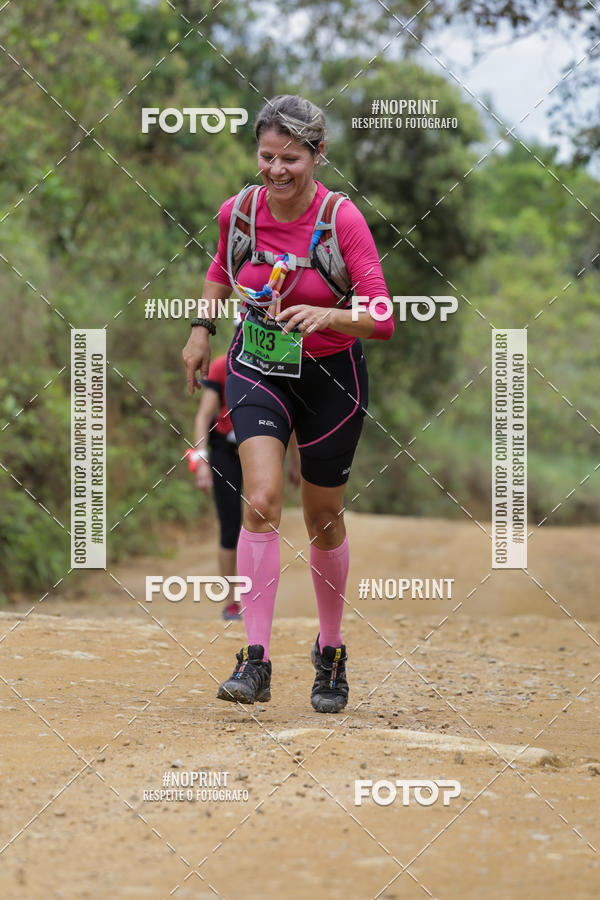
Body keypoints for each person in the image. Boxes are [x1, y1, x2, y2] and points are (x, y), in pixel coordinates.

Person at [182, 94, 393, 713]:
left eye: (291, 159)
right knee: (262, 500)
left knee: (322, 517)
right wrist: (201, 328)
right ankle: (255, 659)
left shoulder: (342, 220)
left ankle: (330, 651)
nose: (276, 170)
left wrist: (331, 316)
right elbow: (220, 266)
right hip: (259, 367)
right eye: (267, 156)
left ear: (318, 154)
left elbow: (382, 316)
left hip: (331, 378)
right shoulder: (240, 212)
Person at [187, 343, 300, 620]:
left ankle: (257, 599)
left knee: (262, 518)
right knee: (230, 525)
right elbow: (203, 416)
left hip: (263, 450)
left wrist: (296, 463)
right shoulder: (221, 365)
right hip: (225, 451)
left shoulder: (278, 363)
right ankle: (231, 602)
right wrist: (201, 461)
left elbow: (288, 417)